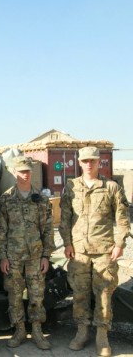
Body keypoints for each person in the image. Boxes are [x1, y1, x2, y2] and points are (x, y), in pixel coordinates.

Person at [59, 146, 130, 357]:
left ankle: (102, 335)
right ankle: (82, 332)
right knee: (79, 293)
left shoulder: (111, 188)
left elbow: (123, 219)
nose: (89, 164)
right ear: (79, 163)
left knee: (104, 294)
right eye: (85, 161)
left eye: (93, 160)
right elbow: (65, 218)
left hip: (104, 250)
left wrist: (119, 244)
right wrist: (67, 243)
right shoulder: (71, 187)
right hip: (79, 250)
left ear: (99, 162)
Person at [0, 156, 55, 350]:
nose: (25, 174)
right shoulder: (5, 200)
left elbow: (47, 229)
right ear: (15, 172)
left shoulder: (41, 199)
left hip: (36, 257)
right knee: (14, 294)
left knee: (37, 295)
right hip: (13, 257)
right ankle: (19, 329)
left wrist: (46, 255)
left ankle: (37, 330)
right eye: (21, 171)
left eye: (28, 171)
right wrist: (2, 256)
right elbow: (0, 231)